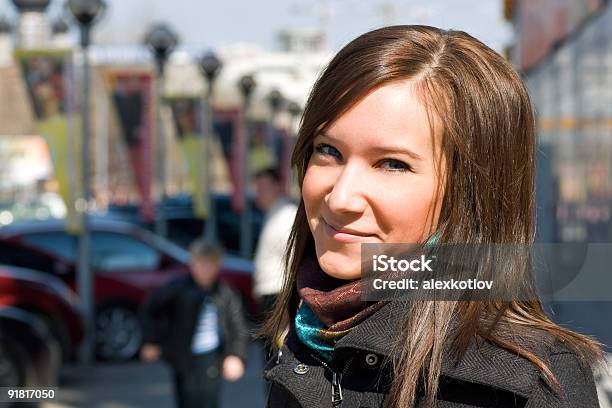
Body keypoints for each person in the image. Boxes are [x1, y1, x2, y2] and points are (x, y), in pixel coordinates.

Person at [259, 25, 604, 407]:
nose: (341, 198)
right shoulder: (305, 340)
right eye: (328, 150)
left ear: (469, 192)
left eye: (392, 164)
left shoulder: (533, 384)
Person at [140, 239, 249, 408]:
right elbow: (150, 310)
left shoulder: (225, 293)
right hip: (183, 355)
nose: (205, 269)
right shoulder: (176, 288)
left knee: (208, 399)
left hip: (211, 356)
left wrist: (236, 355)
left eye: (210, 264)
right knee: (187, 399)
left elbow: (238, 326)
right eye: (200, 263)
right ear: (192, 264)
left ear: (218, 266)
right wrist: (152, 340)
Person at [252, 167, 298, 360]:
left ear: (278, 187)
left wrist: (288, 305)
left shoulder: (286, 215)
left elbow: (294, 260)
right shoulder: (274, 213)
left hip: (280, 296)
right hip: (272, 296)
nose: (259, 193)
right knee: (271, 357)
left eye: (264, 187)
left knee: (278, 359)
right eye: (257, 187)